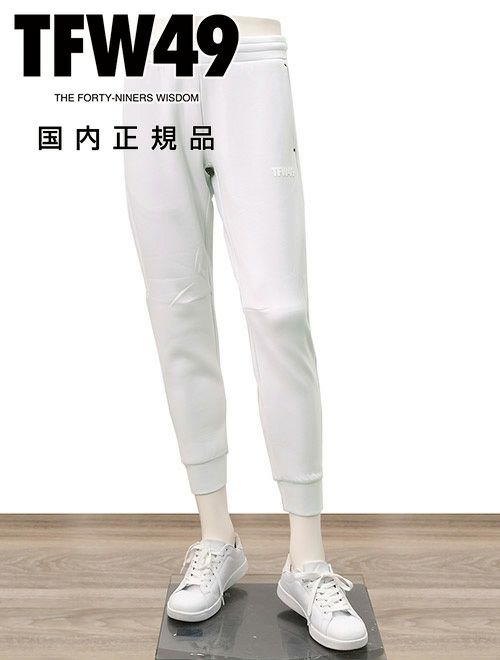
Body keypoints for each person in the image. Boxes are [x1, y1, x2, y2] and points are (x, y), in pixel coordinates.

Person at [123, 15, 367, 652]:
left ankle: (306, 561)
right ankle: (216, 537)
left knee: (278, 310)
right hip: (150, 62)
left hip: (248, 57)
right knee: (175, 307)